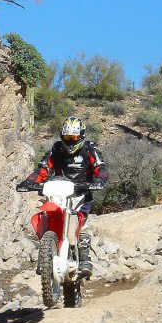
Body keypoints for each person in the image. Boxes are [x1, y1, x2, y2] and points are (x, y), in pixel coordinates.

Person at [16, 117, 109, 277]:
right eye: (67, 138)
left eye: (74, 138)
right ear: (62, 136)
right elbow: (43, 168)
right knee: (47, 216)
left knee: (81, 224)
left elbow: (100, 167)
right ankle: (45, 256)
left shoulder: (89, 149)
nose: (71, 141)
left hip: (80, 194)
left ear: (81, 135)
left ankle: (85, 260)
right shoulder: (57, 149)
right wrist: (29, 181)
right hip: (58, 191)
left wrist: (99, 180)